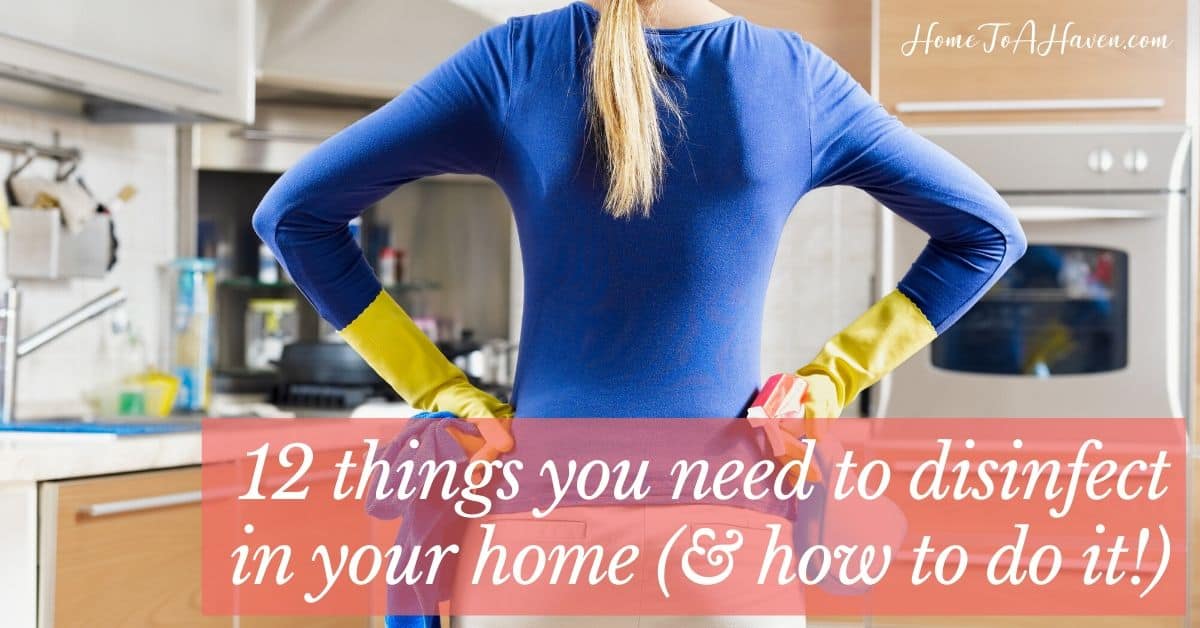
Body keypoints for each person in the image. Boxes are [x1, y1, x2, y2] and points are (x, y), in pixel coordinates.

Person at [252, 0, 1027, 625]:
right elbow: (986, 236)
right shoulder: (792, 77)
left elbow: (293, 216)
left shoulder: (514, 60)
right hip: (729, 538)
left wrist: (441, 392)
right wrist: (829, 382)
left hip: (535, 536)